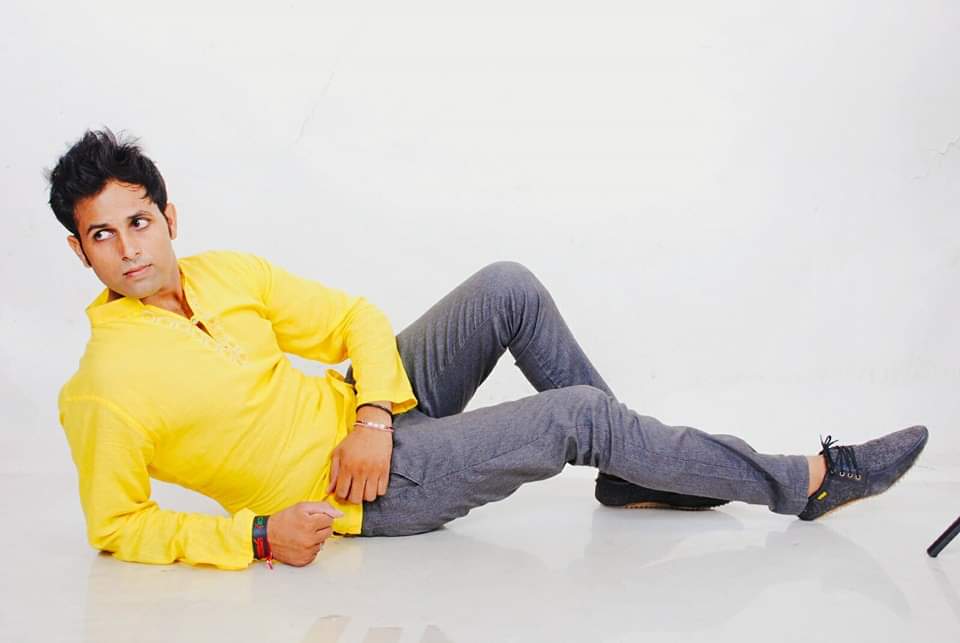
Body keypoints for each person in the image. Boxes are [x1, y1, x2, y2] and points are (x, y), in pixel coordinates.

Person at [48, 129, 929, 571]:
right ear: (80, 251)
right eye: (102, 234)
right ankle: (805, 480)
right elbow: (116, 525)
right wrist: (258, 538)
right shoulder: (102, 385)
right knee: (579, 414)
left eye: (139, 221)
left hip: (371, 419)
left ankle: (633, 472)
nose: (130, 248)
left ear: (169, 216)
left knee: (508, 283)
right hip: (360, 490)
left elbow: (354, 316)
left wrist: (371, 411)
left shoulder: (225, 273)